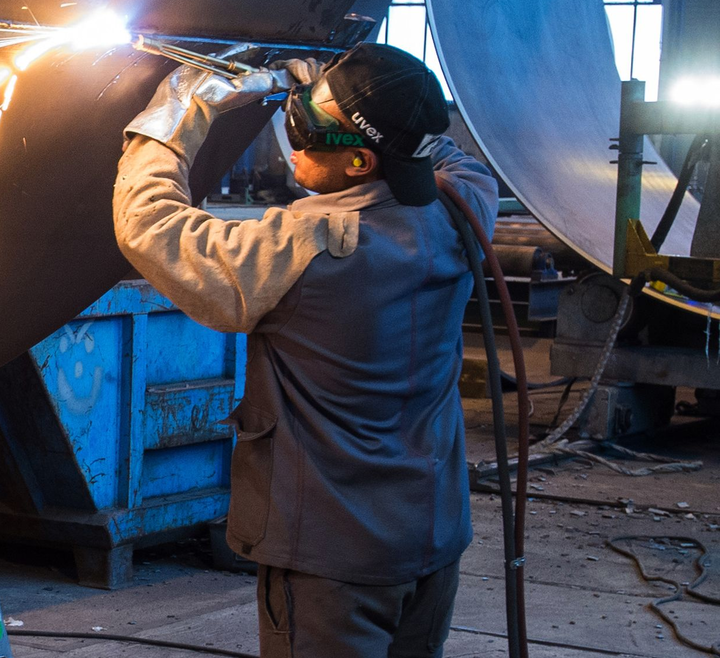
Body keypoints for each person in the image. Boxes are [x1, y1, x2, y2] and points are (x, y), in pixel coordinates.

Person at [113, 43, 499, 657]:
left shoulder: (308, 250)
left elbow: (150, 224)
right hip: (431, 542)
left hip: (332, 561)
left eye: (313, 130)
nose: (293, 137)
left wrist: (181, 110)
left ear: (361, 160)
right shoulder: (463, 209)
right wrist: (347, 88)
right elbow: (437, 148)